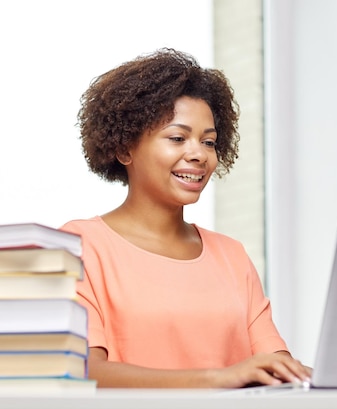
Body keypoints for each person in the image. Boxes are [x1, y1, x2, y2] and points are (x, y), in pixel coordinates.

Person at [60, 48, 311, 388]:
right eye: (178, 138)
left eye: (208, 142)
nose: (198, 155)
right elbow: (86, 372)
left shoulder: (231, 256)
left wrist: (302, 375)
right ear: (124, 149)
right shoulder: (81, 246)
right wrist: (218, 378)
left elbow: (274, 365)